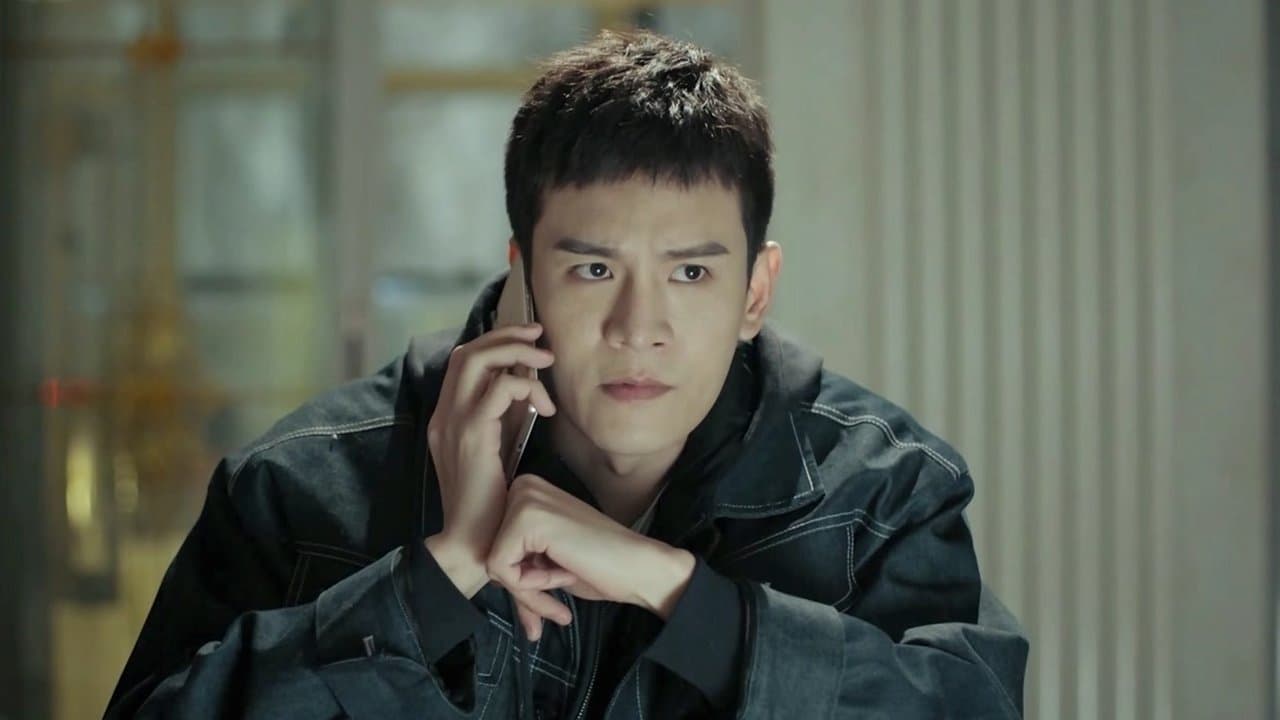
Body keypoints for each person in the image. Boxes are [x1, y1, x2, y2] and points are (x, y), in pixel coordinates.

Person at [106, 29, 1028, 720]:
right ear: (523, 273)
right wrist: (435, 578)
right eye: (593, 269)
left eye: (691, 274)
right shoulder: (299, 485)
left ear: (755, 291)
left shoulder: (884, 494)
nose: (639, 329)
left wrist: (678, 591)